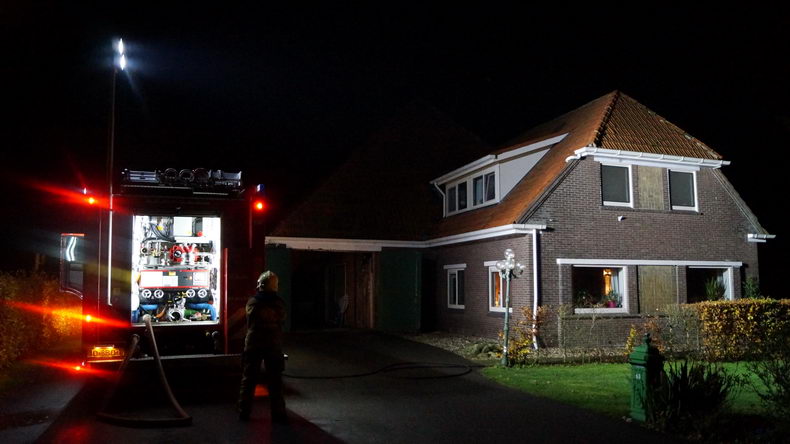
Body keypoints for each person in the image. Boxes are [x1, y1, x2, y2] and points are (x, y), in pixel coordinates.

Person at [238, 270, 287, 422]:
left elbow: (250, 320)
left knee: (249, 379)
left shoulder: (253, 302)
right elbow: (282, 320)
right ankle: (278, 414)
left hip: (254, 344)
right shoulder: (279, 303)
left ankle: (244, 412)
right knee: (275, 381)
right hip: (273, 344)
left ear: (260, 285)